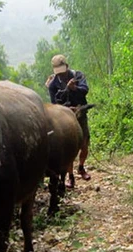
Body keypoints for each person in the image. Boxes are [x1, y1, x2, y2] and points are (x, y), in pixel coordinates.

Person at [46, 54, 91, 187]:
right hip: (66, 118)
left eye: (63, 73)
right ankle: (70, 176)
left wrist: (74, 88)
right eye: (58, 74)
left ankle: (81, 167)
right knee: (70, 145)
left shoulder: (77, 75)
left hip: (80, 114)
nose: (61, 76)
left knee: (84, 144)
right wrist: (67, 109)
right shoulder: (53, 84)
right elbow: (54, 103)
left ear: (67, 67)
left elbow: (85, 90)